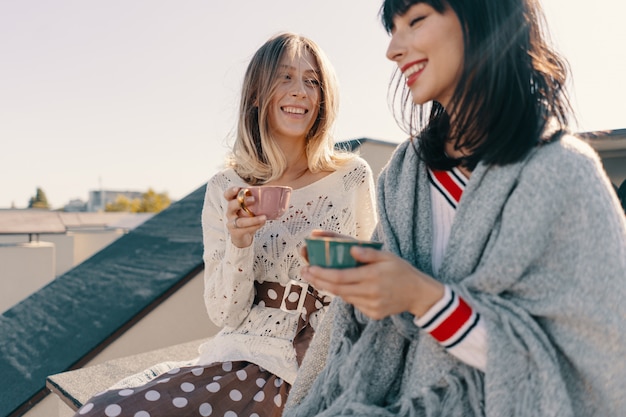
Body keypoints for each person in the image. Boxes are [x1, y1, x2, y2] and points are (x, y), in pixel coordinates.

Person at [283, 1, 626, 416]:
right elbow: (351, 337)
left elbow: (594, 364)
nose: (393, 48)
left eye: (416, 21)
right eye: (393, 28)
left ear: (484, 17)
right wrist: (365, 273)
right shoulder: (405, 172)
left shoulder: (566, 174)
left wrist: (425, 298)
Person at [74, 32, 377, 417]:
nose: (300, 90)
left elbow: (372, 282)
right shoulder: (226, 188)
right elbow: (225, 314)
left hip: (321, 360)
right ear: (256, 94)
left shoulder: (351, 176)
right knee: (105, 410)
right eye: (284, 77)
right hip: (242, 356)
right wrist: (240, 241)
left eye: (311, 80)